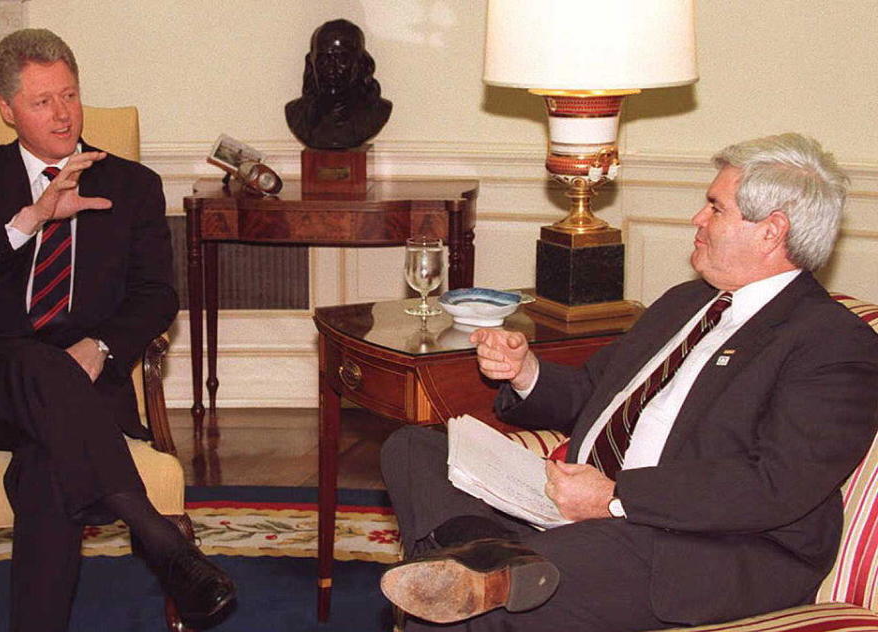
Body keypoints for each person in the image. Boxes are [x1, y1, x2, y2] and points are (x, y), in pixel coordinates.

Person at [379, 133, 878, 632]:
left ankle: (489, 573)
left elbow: (775, 484)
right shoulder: (685, 303)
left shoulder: (831, 343)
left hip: (701, 547)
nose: (697, 220)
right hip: (578, 511)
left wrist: (617, 499)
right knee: (414, 448)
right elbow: (595, 392)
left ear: (771, 231)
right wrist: (525, 371)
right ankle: (496, 557)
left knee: (465, 610)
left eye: (715, 208)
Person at [0, 29, 235, 631]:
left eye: (69, 95)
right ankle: (158, 537)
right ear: (7, 110)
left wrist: (101, 346)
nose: (62, 114)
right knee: (34, 362)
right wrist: (31, 219)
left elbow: (156, 294)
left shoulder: (131, 185)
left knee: (47, 461)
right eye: (42, 102)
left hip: (84, 388)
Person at [285, 18, 392, 149]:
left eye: (342, 59)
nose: (331, 69)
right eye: (323, 59)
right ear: (311, 63)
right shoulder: (297, 115)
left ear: (361, 63)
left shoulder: (377, 111)